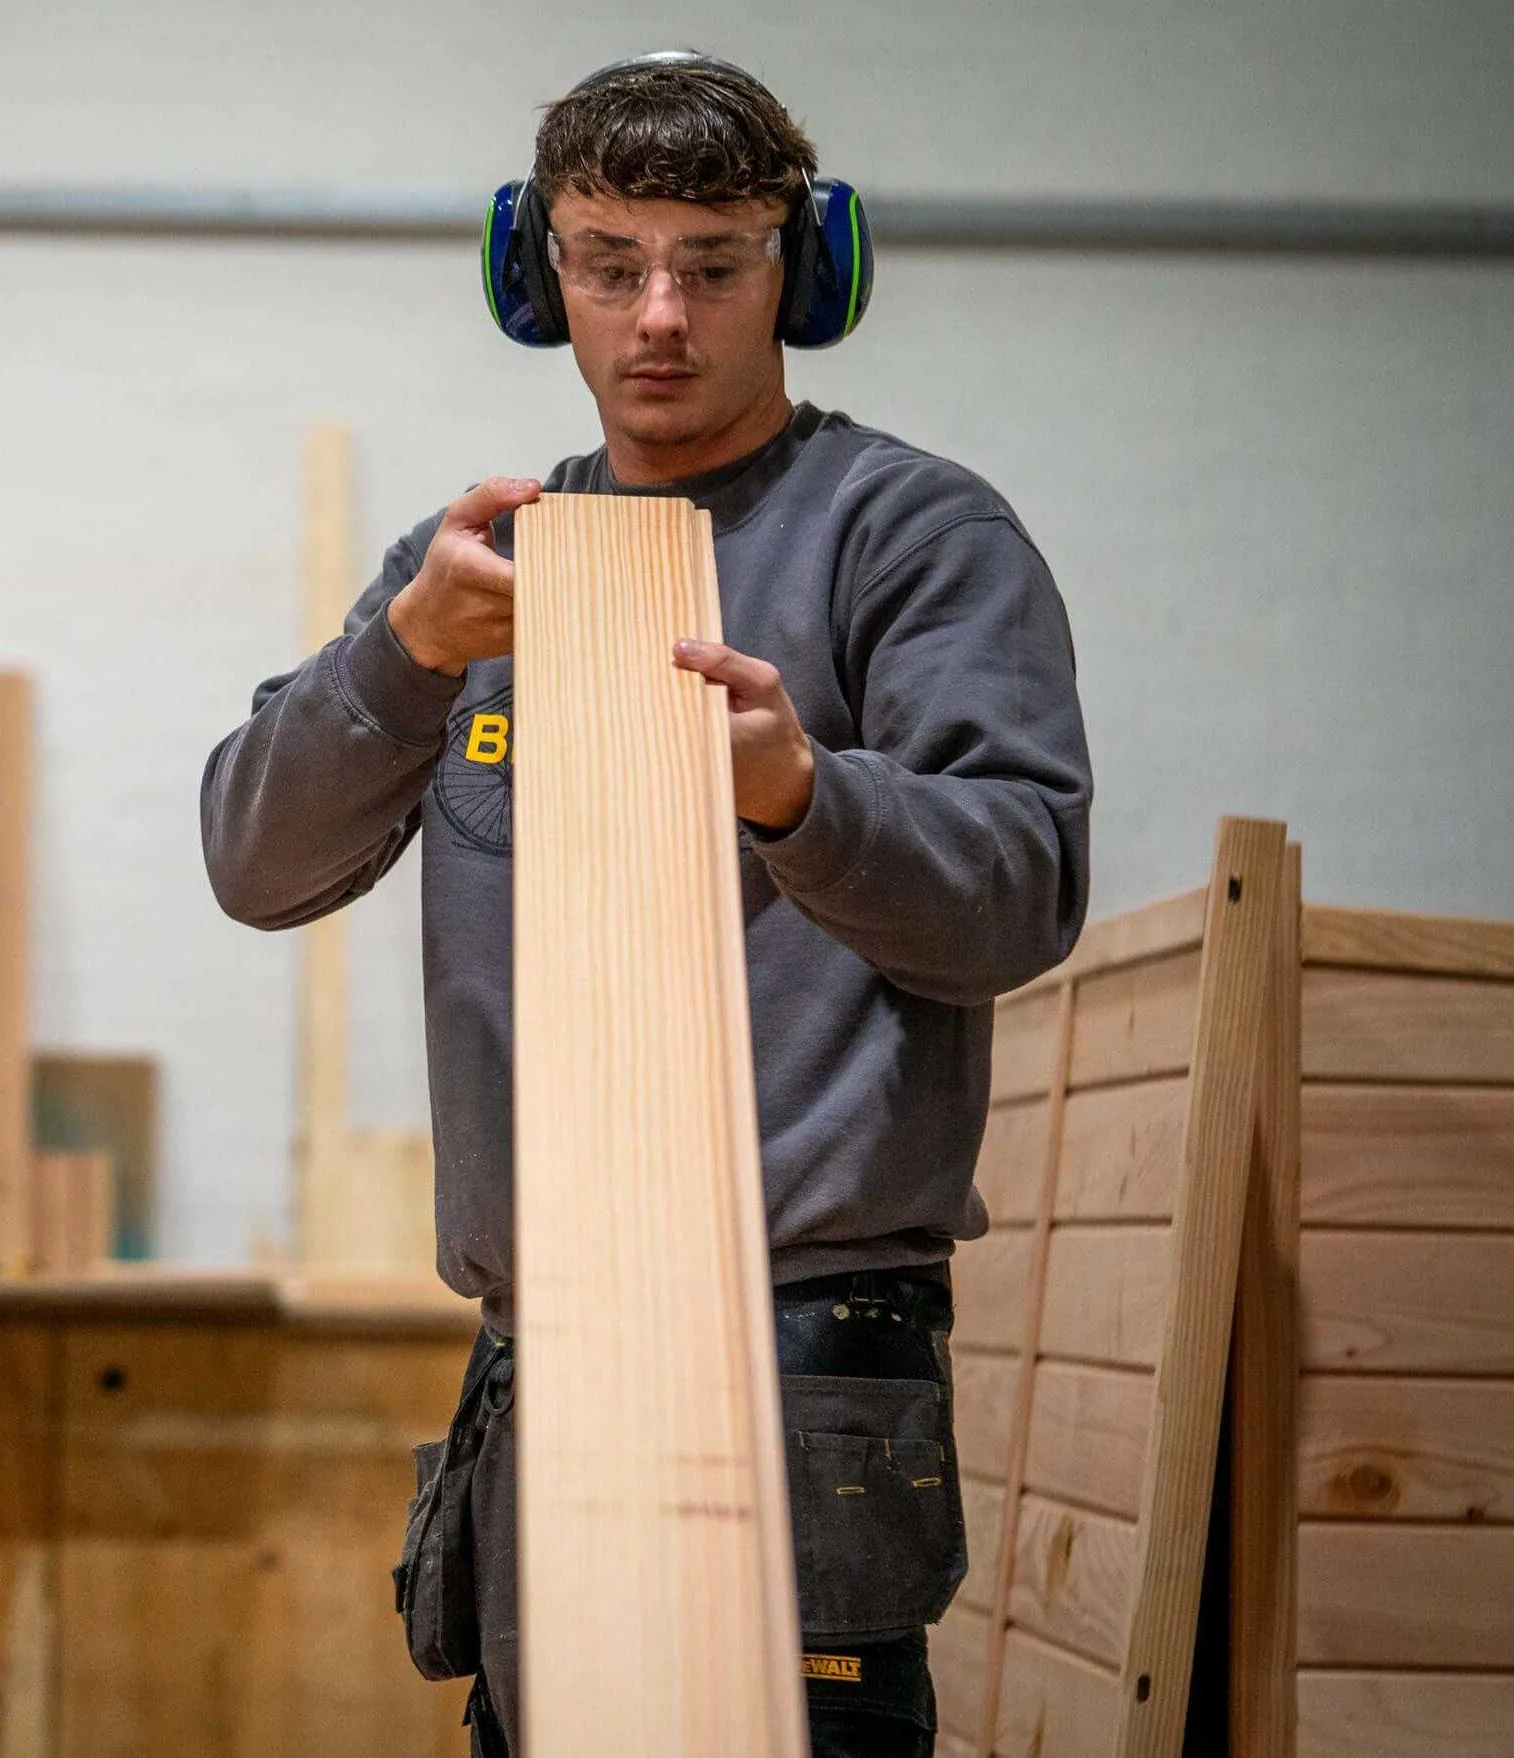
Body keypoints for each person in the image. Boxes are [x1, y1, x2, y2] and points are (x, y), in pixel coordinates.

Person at [201, 52, 1092, 1757]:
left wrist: (797, 790)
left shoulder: (903, 536)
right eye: (609, 263)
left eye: (713, 260)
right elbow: (254, 859)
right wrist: (401, 661)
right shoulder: (477, 570)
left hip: (798, 1345)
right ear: (536, 273)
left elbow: (1016, 892)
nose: (658, 314)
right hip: (538, 1351)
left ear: (802, 270)